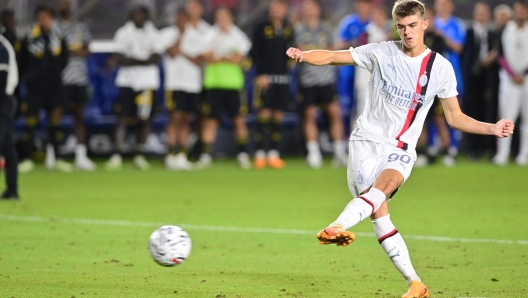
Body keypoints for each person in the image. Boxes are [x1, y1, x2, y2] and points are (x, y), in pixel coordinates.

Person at [286, 0, 515, 296]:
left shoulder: (440, 68)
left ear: (425, 24)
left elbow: (455, 118)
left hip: (401, 148)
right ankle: (415, 283)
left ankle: (336, 225)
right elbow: (332, 57)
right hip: (365, 142)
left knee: (387, 184)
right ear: (396, 27)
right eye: (402, 27)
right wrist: (304, 55)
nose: (407, 33)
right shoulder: (380, 52)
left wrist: (492, 128)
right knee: (379, 214)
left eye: (413, 26)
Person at [106, 5, 162, 171]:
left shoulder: (154, 33)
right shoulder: (123, 33)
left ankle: (140, 154)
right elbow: (119, 58)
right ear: (131, 16)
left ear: (147, 16)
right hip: (127, 81)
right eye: (136, 14)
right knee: (123, 116)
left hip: (147, 82)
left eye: (142, 14)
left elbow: (155, 58)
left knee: (145, 118)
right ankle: (117, 153)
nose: (139, 17)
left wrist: (133, 60)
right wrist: (143, 60)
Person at [294, 0, 347, 168]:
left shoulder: (326, 28)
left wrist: (312, 50)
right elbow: (298, 51)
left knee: (334, 114)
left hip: (327, 79)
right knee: (309, 115)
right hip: (307, 80)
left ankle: (339, 152)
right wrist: (319, 50)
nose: (309, 10)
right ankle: (313, 153)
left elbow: (333, 51)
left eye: (312, 6)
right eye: (306, 7)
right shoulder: (298, 29)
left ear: (318, 9)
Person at [18, 5, 71, 173]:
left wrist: (54, 75)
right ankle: (27, 158)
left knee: (55, 120)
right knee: (31, 120)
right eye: (41, 17)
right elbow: (22, 62)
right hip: (35, 87)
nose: (44, 21)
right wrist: (30, 78)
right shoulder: (29, 38)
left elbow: (64, 59)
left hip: (54, 86)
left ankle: (57, 157)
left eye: (47, 17)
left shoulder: (59, 37)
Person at [198, 6, 252, 169]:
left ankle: (242, 154)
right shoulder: (208, 34)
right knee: (211, 119)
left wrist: (220, 57)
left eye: (224, 16)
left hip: (233, 84)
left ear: (231, 18)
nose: (221, 20)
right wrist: (228, 57)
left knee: (238, 118)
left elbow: (239, 59)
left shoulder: (238, 36)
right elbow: (208, 57)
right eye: (219, 16)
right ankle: (206, 154)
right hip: (214, 83)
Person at [250, 0, 294, 169]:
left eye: (280, 8)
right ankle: (260, 153)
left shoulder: (288, 28)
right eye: (274, 7)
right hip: (265, 78)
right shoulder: (261, 27)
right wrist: (260, 74)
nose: (277, 11)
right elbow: (255, 52)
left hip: (282, 78)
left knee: (277, 114)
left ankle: (274, 153)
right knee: (264, 114)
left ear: (285, 10)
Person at [57, 0, 95, 171]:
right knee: (55, 116)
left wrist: (68, 51)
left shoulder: (81, 27)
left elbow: (87, 51)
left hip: (79, 78)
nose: (65, 6)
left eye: (68, 3)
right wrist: (73, 50)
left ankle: (81, 156)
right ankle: (53, 155)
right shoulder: (53, 27)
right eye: (62, 3)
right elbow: (54, 52)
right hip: (60, 79)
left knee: (79, 116)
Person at [415, 7, 455, 167]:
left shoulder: (438, 38)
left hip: (435, 86)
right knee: (421, 120)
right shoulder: (415, 38)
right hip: (419, 86)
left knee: (439, 119)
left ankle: (449, 152)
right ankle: (422, 153)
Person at [493, 0, 528, 166]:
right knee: (507, 118)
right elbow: (500, 55)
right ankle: (502, 154)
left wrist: (524, 73)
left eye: (523, 10)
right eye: (518, 10)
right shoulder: (507, 30)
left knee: (527, 118)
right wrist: (513, 74)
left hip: (526, 79)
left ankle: (524, 155)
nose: (520, 13)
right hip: (509, 79)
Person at [461, 3, 496, 160]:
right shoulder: (468, 32)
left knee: (487, 112)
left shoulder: (492, 33)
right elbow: (464, 56)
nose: (481, 15)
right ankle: (472, 149)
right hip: (471, 78)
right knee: (471, 113)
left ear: (488, 15)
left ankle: (487, 148)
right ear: (475, 14)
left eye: (484, 12)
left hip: (488, 78)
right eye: (479, 12)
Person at [352, 5, 393, 128]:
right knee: (364, 109)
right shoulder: (366, 33)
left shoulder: (391, 33)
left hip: (384, 79)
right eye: (376, 16)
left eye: (381, 16)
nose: (379, 19)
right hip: (366, 78)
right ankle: (357, 140)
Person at [336, 0, 372, 125]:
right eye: (360, 3)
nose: (362, 6)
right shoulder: (348, 23)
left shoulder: (373, 23)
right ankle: (345, 138)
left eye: (365, 3)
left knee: (365, 106)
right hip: (348, 71)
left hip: (366, 73)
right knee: (346, 107)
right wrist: (354, 43)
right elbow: (338, 46)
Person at [0, 29, 19, 199]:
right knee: (6, 145)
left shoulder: (1, 47)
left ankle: (12, 189)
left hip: (3, 100)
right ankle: (12, 189)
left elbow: (2, 79)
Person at [434, 0, 465, 96]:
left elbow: (458, 48)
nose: (442, 7)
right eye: (439, 4)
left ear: (451, 6)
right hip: (432, 71)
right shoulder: (428, 24)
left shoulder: (458, 24)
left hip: (453, 69)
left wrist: (442, 36)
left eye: (444, 4)